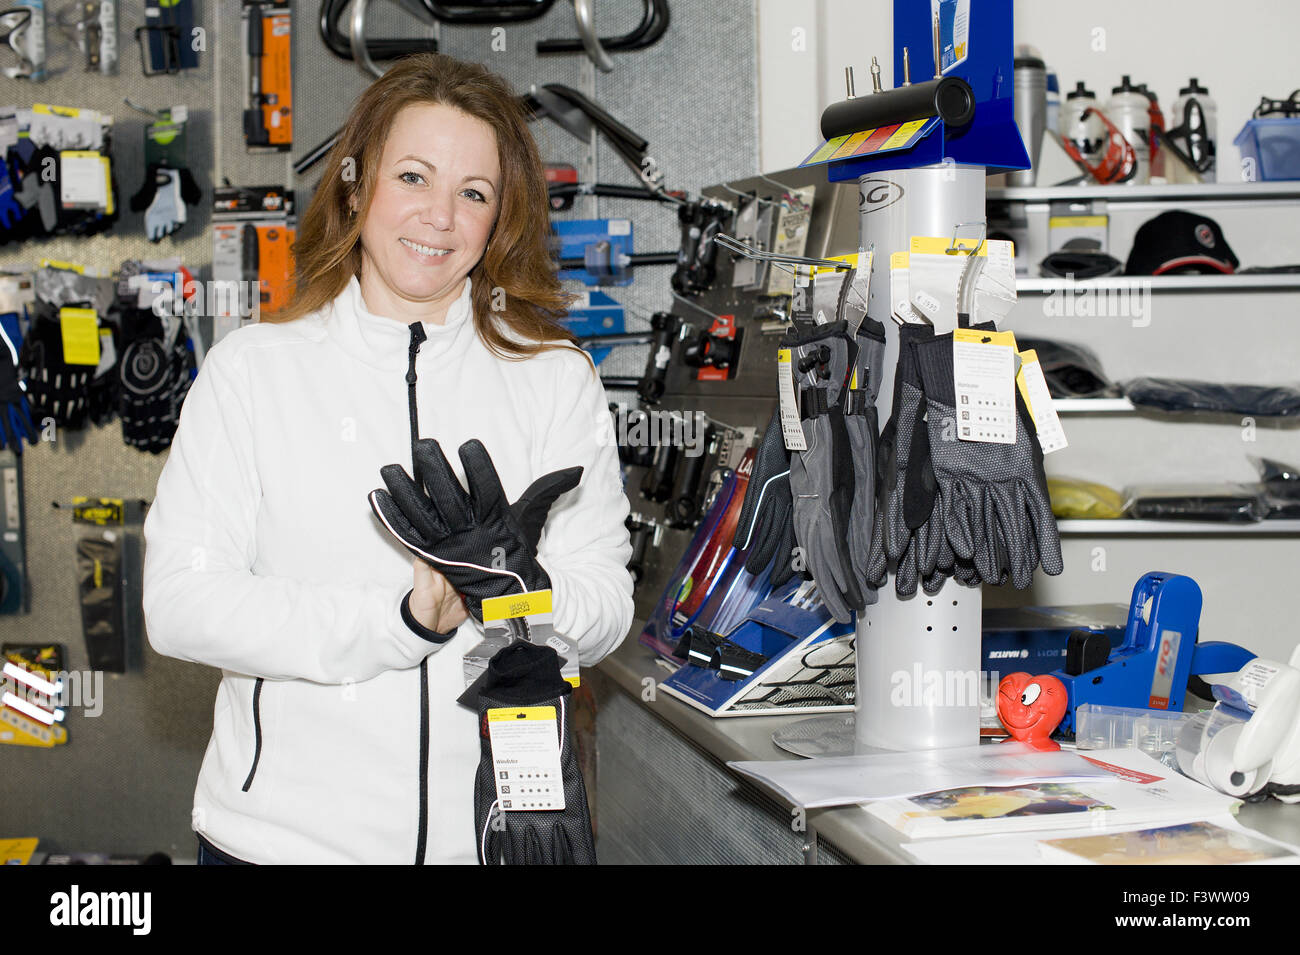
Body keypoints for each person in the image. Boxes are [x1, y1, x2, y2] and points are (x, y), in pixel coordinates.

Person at [143, 53, 634, 864]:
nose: (440, 216)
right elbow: (182, 604)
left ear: (499, 217)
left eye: (473, 193)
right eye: (413, 176)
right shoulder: (253, 373)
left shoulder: (554, 380)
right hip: (276, 846)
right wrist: (399, 622)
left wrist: (522, 591)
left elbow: (608, 604)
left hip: (484, 843)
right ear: (354, 182)